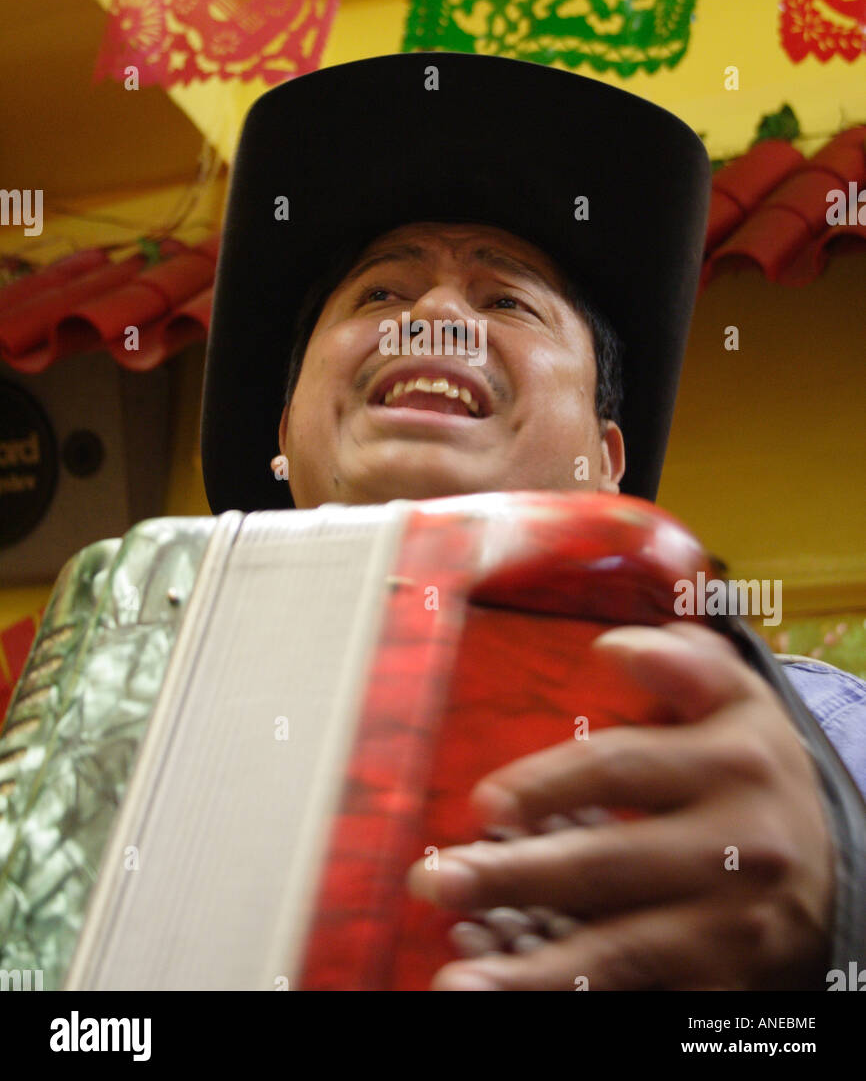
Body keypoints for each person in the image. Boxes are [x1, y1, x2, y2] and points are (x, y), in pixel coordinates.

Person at [202, 50, 866, 991]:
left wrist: (842, 927)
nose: (432, 313)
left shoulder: (823, 735)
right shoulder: (139, 731)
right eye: (381, 292)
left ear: (606, 462)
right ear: (284, 434)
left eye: (506, 298)